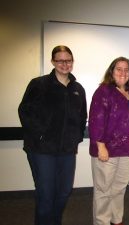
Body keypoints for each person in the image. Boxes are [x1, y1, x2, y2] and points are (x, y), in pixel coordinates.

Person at [18, 45, 87, 225]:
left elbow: (82, 117)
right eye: (60, 60)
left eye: (68, 60)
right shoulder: (39, 84)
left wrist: (75, 138)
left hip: (67, 150)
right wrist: (40, 134)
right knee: (46, 194)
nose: (65, 64)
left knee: (64, 192)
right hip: (41, 150)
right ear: (53, 62)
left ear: (72, 62)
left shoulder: (78, 88)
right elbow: (24, 111)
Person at [88, 57, 129, 225]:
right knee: (103, 189)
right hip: (107, 147)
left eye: (126, 70)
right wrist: (100, 146)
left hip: (126, 146)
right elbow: (96, 120)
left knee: (119, 186)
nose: (123, 73)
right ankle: (102, 221)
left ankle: (116, 219)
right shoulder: (104, 91)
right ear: (112, 71)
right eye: (119, 69)